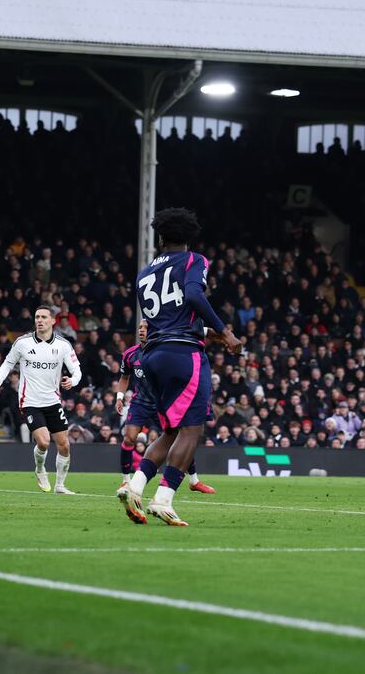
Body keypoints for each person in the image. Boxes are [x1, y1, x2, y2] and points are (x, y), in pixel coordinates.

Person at [117, 208, 240, 526]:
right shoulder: (193, 260)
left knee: (171, 431)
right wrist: (224, 332)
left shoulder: (143, 274)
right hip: (184, 354)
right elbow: (194, 295)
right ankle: (164, 498)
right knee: (192, 429)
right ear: (189, 236)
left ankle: (136, 486)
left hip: (152, 355)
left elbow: (157, 317)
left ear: (161, 237)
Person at [0, 306, 83, 494]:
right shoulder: (22, 342)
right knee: (43, 442)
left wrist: (72, 381)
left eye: (43, 317)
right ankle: (40, 469)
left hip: (53, 400)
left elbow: (77, 370)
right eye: (37, 317)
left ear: (52, 321)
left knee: (64, 444)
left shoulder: (63, 345)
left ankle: (60, 485)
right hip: (30, 401)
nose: (39, 320)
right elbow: (8, 362)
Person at [116, 321, 214, 493]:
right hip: (141, 402)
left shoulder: (161, 352)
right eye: (139, 328)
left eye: (145, 328)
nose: (141, 331)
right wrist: (119, 397)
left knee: (181, 435)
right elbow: (124, 377)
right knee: (129, 438)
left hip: (162, 401)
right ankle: (126, 481)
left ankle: (194, 480)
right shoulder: (131, 354)